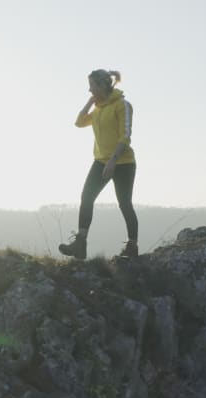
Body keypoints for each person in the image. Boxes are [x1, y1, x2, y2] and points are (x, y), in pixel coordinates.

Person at [58, 69, 139, 260]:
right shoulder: (98, 109)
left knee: (124, 203)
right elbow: (79, 122)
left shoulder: (122, 105)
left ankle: (132, 246)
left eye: (92, 87)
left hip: (123, 162)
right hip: (100, 160)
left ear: (103, 85)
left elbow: (125, 135)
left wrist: (113, 160)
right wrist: (90, 102)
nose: (89, 90)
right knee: (87, 197)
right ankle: (80, 244)